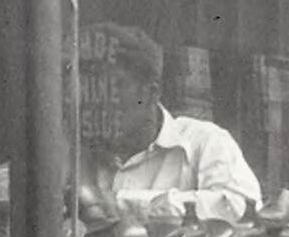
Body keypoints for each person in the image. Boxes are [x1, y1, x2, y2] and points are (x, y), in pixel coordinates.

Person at [78, 23, 259, 224]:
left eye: (114, 87)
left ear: (151, 93)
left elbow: (240, 205)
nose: (101, 102)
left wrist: (123, 202)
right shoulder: (77, 150)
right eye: (92, 89)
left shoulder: (205, 141)